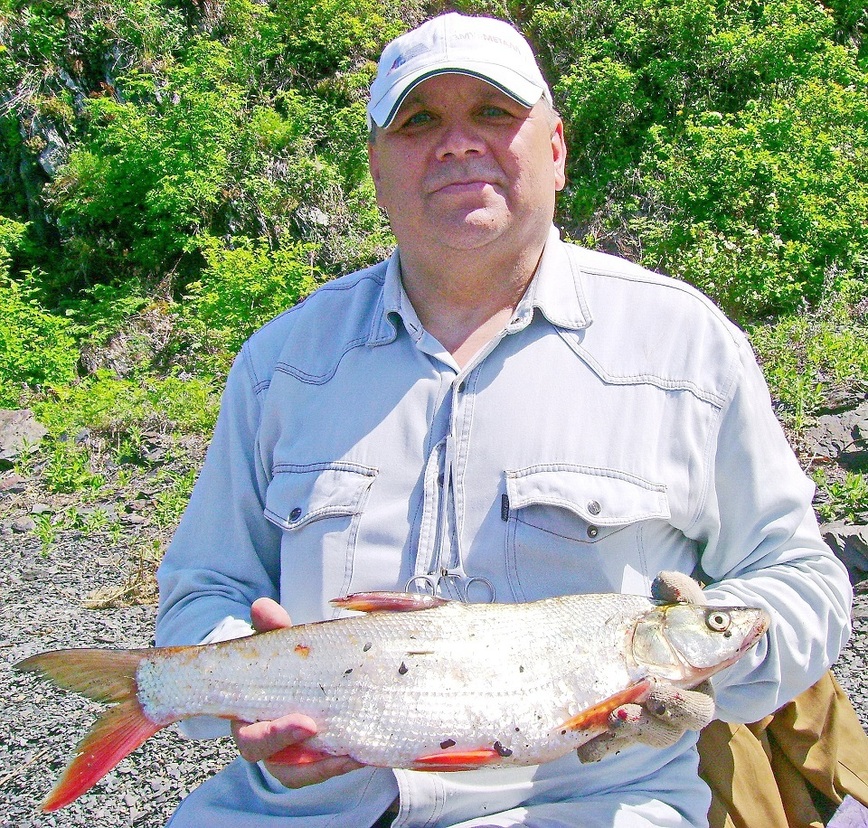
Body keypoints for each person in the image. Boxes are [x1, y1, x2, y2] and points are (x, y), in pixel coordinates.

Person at [155, 12, 854, 828]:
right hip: (299, 810)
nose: (457, 143)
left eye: (493, 112)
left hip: (593, 802)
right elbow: (205, 589)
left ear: (555, 148)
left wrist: (707, 675)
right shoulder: (280, 363)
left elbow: (801, 581)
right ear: (377, 170)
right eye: (419, 121)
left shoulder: (686, 345)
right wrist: (248, 686)